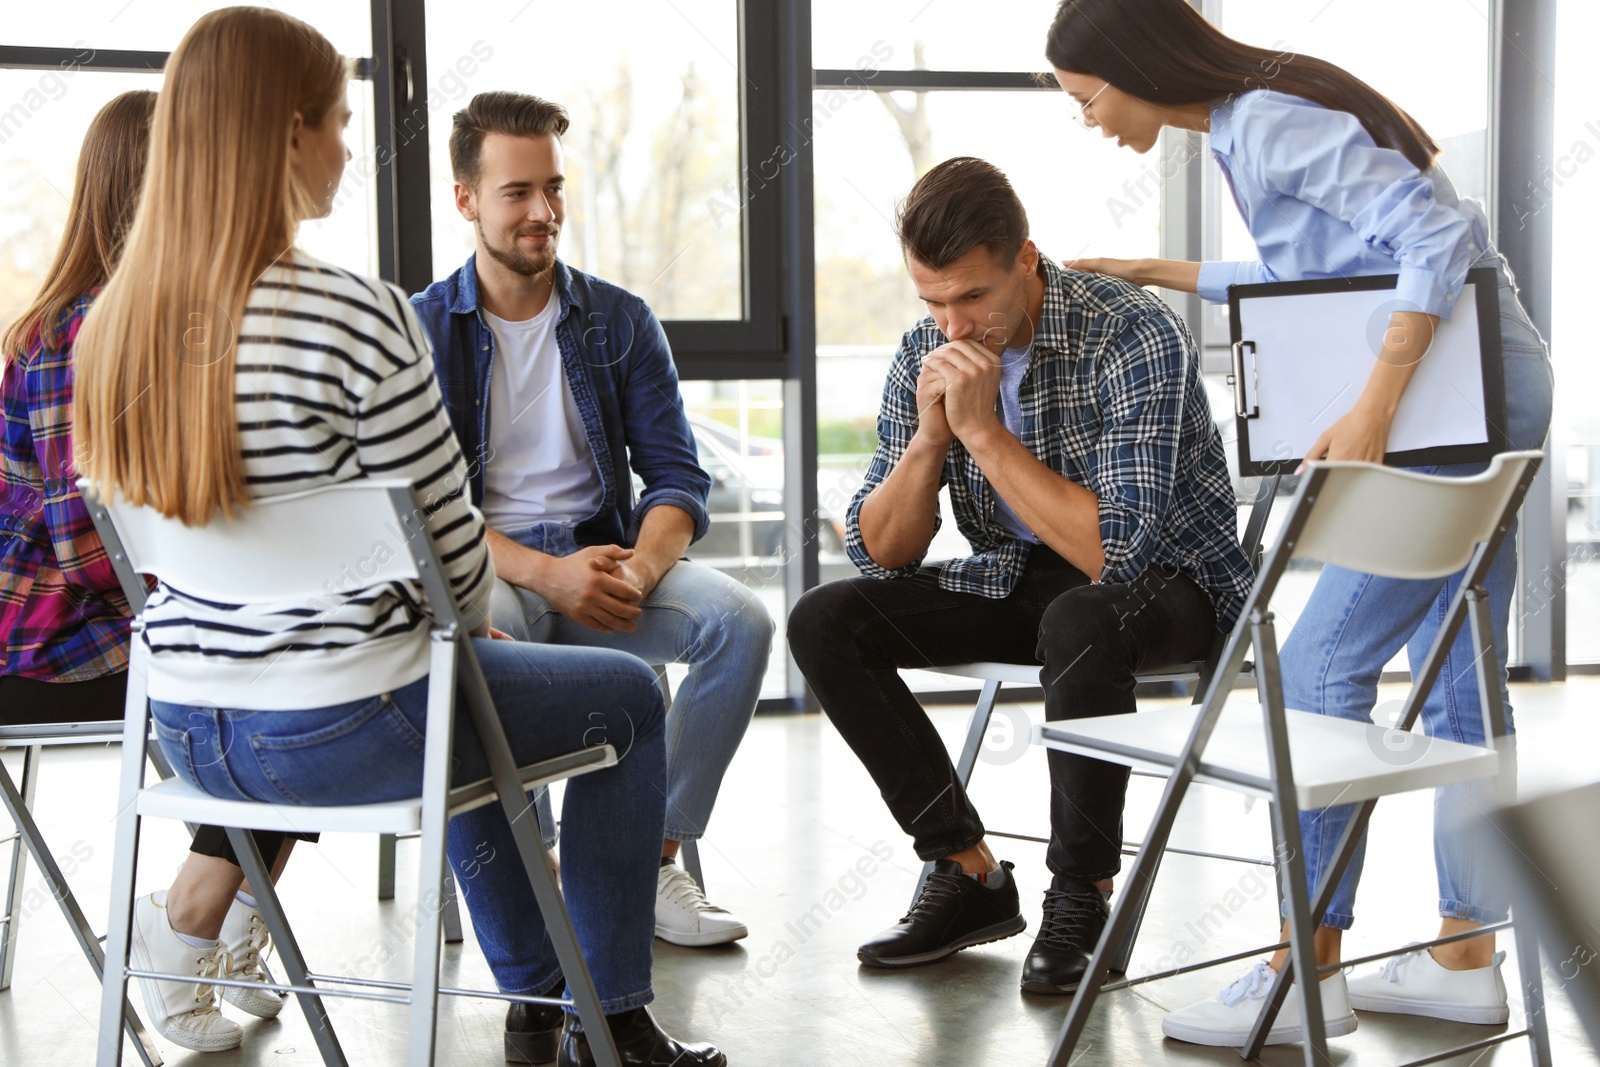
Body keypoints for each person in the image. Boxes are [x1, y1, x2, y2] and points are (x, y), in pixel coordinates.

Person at [70, 10, 723, 1066]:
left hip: (188, 728)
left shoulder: (116, 324)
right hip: (340, 730)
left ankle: (543, 999)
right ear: (286, 134)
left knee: (458, 685)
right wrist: (465, 624)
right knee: (616, 697)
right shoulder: (357, 315)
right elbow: (451, 564)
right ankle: (610, 1019)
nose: (344, 147)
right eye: (336, 121)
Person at [1044, 0, 1555, 1046]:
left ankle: (1302, 966)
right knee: (1461, 668)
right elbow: (1313, 274)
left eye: (1089, 98)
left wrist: (1371, 402)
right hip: (1494, 384)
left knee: (1317, 665)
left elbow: (1431, 235)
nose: (1090, 121)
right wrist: (1148, 270)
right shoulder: (1251, 119)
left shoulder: (1267, 118)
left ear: (1134, 64)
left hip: (1450, 397)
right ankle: (1464, 954)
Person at [786, 156, 1254, 997]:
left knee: (1080, 616)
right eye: (932, 300)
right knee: (825, 619)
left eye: (973, 297)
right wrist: (932, 440)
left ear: (1026, 261)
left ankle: (1081, 892)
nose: (953, 325)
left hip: (1173, 583)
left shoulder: (1132, 331)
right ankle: (966, 872)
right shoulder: (926, 351)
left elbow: (1118, 553)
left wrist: (985, 435)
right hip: (1023, 577)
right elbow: (880, 550)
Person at [411, 90, 774, 948]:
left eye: (555, 189)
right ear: (465, 199)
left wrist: (640, 571)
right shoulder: (423, 329)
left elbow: (679, 478)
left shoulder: (618, 319)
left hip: (605, 560)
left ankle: (646, 859)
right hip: (492, 571)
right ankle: (524, 876)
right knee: (472, 647)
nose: (544, 213)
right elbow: (426, 511)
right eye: (516, 193)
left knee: (742, 624)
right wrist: (545, 574)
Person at [0, 88, 305, 1054]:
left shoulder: (170, 323)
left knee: (331, 662)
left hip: (116, 617)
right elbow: (89, 549)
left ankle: (220, 924)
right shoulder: (74, 336)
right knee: (301, 687)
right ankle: (185, 927)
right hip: (51, 643)